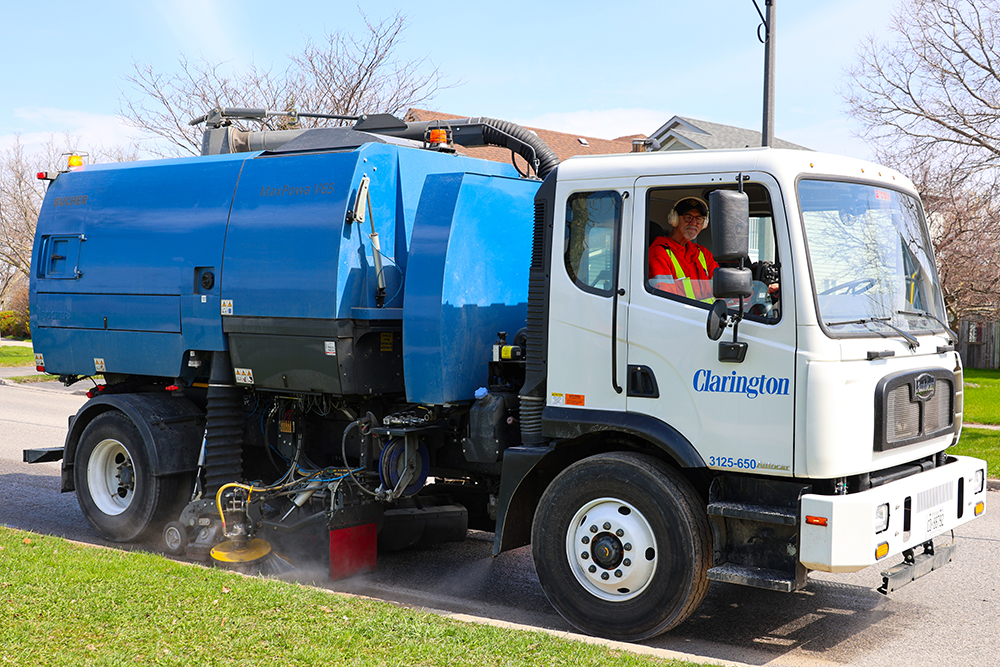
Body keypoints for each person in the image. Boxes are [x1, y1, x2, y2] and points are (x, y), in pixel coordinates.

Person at [648, 197, 718, 301]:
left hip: (710, 315)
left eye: (699, 218)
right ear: (674, 219)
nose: (694, 223)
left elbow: (721, 288)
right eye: (688, 217)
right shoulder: (658, 252)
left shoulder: (702, 252)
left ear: (704, 223)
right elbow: (665, 300)